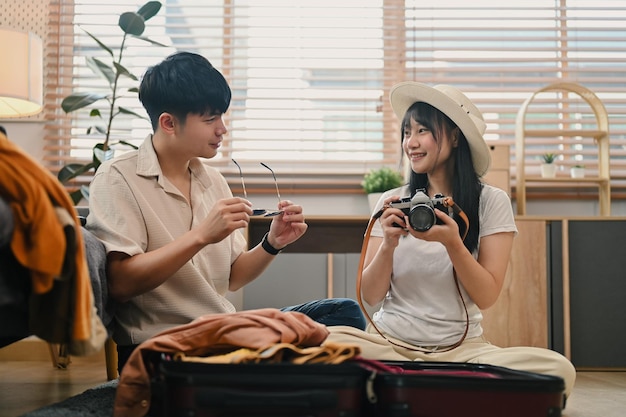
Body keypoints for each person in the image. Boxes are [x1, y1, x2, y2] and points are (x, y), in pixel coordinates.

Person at [86, 51, 365, 372]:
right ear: (168, 123)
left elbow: (234, 276)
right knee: (313, 346)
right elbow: (120, 284)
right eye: (210, 119)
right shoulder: (118, 178)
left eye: (222, 117)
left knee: (343, 312)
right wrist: (201, 236)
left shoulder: (212, 180)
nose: (223, 129)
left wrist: (273, 243)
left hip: (223, 330)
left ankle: (269, 376)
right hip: (165, 344)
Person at [324, 81, 576, 399]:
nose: (410, 143)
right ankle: (443, 388)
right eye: (406, 132)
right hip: (389, 344)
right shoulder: (391, 201)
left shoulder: (491, 201)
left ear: (455, 137)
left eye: (422, 131)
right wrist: (387, 243)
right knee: (329, 344)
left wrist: (454, 243)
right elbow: (371, 296)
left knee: (558, 370)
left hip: (461, 350)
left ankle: (404, 387)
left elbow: (486, 295)